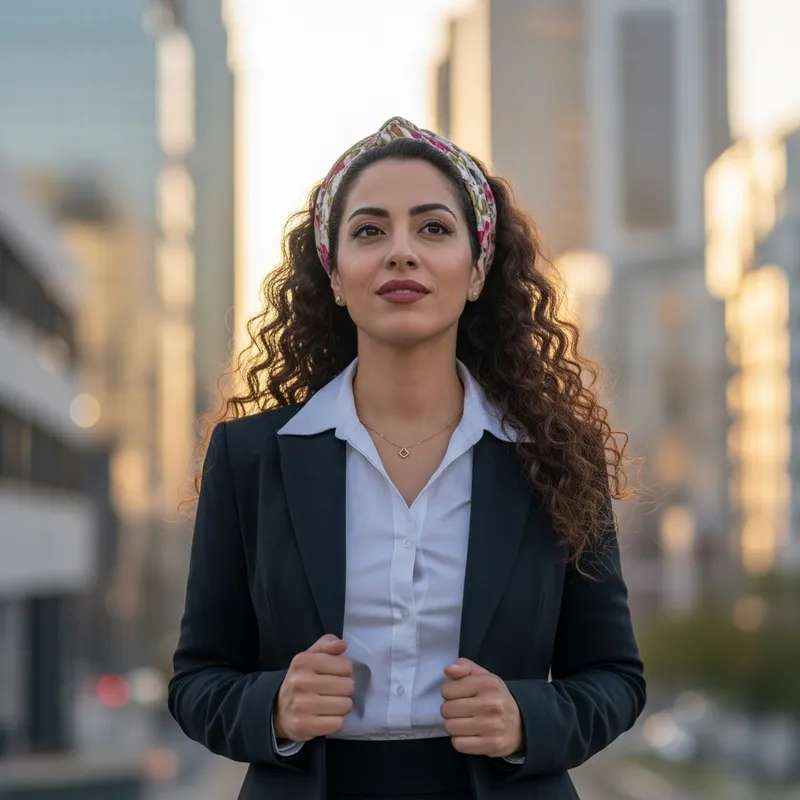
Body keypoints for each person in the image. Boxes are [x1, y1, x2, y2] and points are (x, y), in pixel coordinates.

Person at [167, 117, 646, 800]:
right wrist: (273, 707)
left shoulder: (552, 459)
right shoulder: (250, 456)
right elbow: (197, 679)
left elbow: (614, 678)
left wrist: (524, 719)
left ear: (478, 268)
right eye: (369, 231)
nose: (401, 253)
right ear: (334, 274)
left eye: (433, 229)